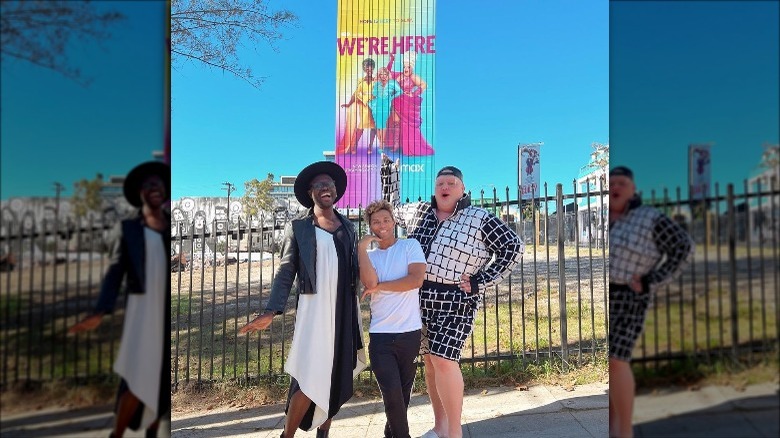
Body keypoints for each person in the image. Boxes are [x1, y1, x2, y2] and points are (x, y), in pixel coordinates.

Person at [379, 155, 523, 438]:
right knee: (431, 364)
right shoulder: (420, 212)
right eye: (440, 182)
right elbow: (391, 209)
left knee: (445, 360)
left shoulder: (479, 218)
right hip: (419, 300)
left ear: (462, 190)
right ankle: (441, 426)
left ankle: (454, 433)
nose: (445, 186)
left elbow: (513, 248)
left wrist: (482, 280)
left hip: (456, 300)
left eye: (451, 183)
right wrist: (389, 171)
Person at [238, 161, 367, 438]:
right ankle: (288, 435)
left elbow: (356, 267)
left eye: (329, 184)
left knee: (336, 371)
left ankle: (324, 433)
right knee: (309, 375)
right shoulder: (299, 228)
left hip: (344, 308)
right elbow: (286, 270)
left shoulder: (348, 226)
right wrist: (271, 310)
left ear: (336, 190)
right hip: (314, 310)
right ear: (310, 192)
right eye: (319, 185)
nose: (326, 188)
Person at [69, 161, 171, 438]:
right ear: (139, 192)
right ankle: (117, 434)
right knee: (138, 374)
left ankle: (153, 429)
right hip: (142, 308)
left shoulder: (169, 227)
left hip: (165, 310)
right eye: (150, 185)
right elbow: (115, 272)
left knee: (160, 378)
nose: (156, 189)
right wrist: (100, 310)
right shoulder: (129, 229)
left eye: (159, 184)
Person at [608, 166, 694, 438]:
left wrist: (652, 279)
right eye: (611, 183)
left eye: (622, 182)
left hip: (629, 295)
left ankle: (624, 432)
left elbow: (683, 247)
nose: (616, 187)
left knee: (616, 360)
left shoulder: (649, 218)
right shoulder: (605, 217)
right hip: (604, 295)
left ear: (633, 189)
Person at [358, 200, 426, 438]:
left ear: (394, 221)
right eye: (376, 221)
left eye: (386, 219)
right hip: (381, 336)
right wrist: (361, 249)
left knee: (403, 395)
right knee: (391, 394)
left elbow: (415, 280)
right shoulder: (370, 256)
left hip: (410, 332)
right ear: (370, 226)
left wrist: (381, 287)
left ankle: (391, 434)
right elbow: (369, 284)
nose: (382, 225)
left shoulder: (410, 246)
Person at [385, 51, 434, 156]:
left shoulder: (413, 77)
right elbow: (386, 73)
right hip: (396, 101)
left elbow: (424, 84)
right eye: (404, 67)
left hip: (407, 103)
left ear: (412, 68)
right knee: (395, 123)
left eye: (408, 67)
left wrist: (414, 93)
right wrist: (391, 61)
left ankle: (407, 146)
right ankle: (396, 144)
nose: (406, 69)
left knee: (405, 125)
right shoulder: (398, 75)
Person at [337, 58, 376, 154]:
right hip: (364, 106)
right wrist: (349, 103)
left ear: (373, 68)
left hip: (374, 105)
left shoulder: (376, 80)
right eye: (367, 68)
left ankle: (370, 145)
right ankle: (354, 144)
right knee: (361, 125)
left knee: (374, 127)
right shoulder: (360, 81)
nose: (369, 69)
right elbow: (356, 93)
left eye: (370, 67)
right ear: (364, 69)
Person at [368, 66, 402, 153]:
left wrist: (391, 97)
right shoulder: (377, 84)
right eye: (381, 75)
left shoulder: (392, 83)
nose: (383, 76)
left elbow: (400, 91)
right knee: (378, 125)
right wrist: (377, 84)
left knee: (383, 124)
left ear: (387, 75)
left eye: (385, 74)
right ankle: (381, 142)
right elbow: (374, 93)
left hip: (386, 104)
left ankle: (382, 144)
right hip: (376, 105)